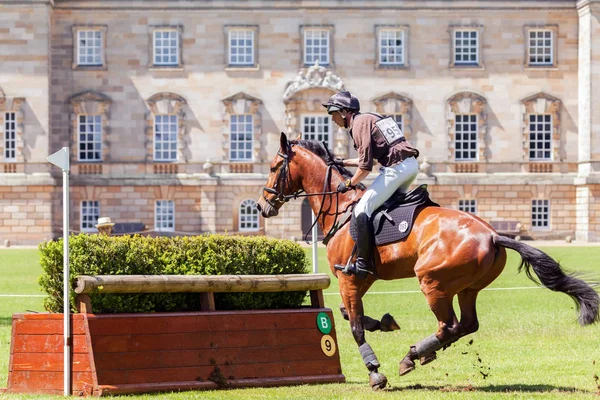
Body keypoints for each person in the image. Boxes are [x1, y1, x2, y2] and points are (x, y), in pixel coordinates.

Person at [322, 91, 420, 278]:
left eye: (333, 113)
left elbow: (365, 168)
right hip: (409, 166)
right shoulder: (370, 118)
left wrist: (349, 183)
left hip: (396, 169)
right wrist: (341, 163)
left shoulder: (358, 124)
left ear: (344, 112)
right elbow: (370, 161)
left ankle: (363, 263)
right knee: (383, 209)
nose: (333, 119)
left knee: (361, 210)